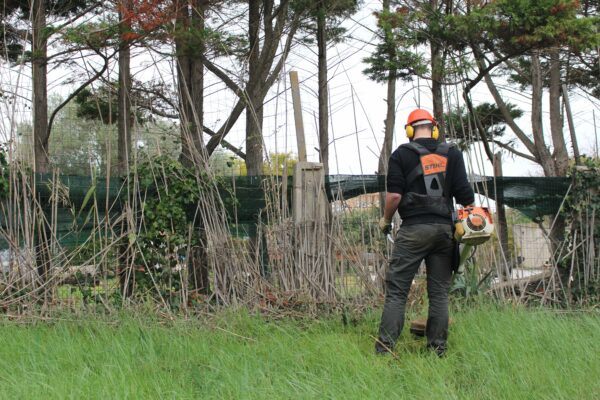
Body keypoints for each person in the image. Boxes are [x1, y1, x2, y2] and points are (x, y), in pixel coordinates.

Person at [376, 108, 474, 356]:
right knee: (439, 293)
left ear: (409, 130)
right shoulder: (453, 153)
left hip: (413, 231)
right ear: (434, 128)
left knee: (397, 292)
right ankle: (437, 350)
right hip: (444, 232)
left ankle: (385, 349)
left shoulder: (401, 154)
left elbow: (395, 196)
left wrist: (386, 220)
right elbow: (466, 198)